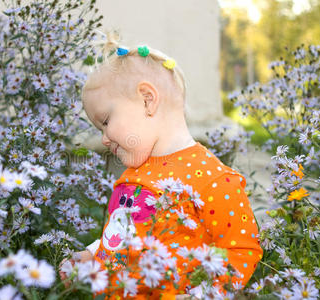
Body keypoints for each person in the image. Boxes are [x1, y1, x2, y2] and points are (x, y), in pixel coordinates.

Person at [60, 32, 263, 299]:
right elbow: (122, 236)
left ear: (147, 99)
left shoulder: (213, 179)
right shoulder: (133, 176)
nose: (104, 139)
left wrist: (205, 294)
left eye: (106, 121)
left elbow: (242, 250)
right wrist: (91, 255)